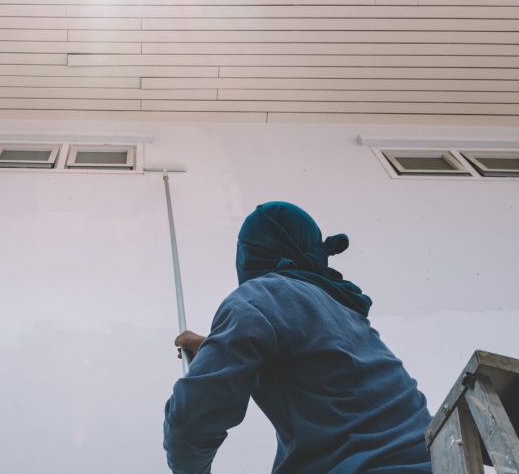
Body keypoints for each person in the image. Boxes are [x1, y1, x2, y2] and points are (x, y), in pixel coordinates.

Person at [163, 202, 432, 474]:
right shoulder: (348, 314)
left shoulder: (258, 297)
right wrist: (214, 347)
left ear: (251, 254)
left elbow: (190, 423)